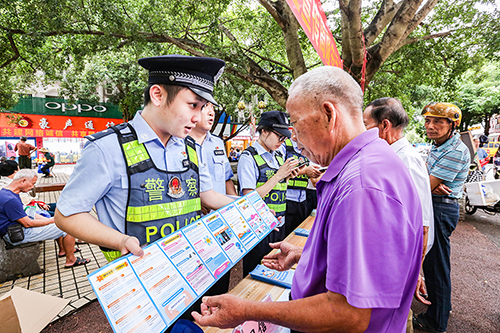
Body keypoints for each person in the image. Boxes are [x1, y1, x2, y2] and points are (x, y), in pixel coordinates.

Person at [193, 67, 423, 332]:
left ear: (329, 114)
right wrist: (310, 255)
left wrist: (246, 310)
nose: (294, 138)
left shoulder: (362, 186)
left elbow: (348, 314)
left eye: (296, 124)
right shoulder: (370, 164)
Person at [54, 55, 235, 262]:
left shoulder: (190, 147)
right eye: (193, 105)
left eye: (202, 108)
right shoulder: (107, 148)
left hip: (189, 267)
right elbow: (66, 215)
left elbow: (209, 196)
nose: (197, 117)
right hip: (136, 278)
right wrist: (120, 241)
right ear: (157, 95)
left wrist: (253, 205)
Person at [363, 97, 435, 332]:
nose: (361, 131)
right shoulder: (389, 154)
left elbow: (421, 223)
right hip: (390, 256)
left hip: (401, 258)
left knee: (396, 318)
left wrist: (416, 270)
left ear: (384, 126)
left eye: (366, 125)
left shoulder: (406, 160)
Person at [413, 102, 470, 333]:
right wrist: (429, 184)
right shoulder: (437, 145)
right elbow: (425, 181)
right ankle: (442, 307)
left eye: (438, 121)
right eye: (428, 121)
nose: (431, 126)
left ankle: (436, 322)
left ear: (452, 125)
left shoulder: (456, 150)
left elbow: (422, 184)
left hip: (441, 208)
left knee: (436, 265)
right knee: (431, 262)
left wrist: (427, 184)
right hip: (433, 202)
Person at [237, 110, 299, 275]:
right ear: (264, 131)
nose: (282, 141)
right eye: (279, 136)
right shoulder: (248, 157)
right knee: (254, 274)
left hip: (279, 225)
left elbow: (278, 187)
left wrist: (286, 177)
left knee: (275, 271)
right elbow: (249, 198)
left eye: (284, 138)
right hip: (258, 230)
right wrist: (278, 175)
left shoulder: (278, 157)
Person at [190, 102, 237, 296]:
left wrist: (237, 208)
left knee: (220, 278)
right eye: (205, 107)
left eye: (213, 108)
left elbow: (227, 179)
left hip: (219, 221)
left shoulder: (218, 143)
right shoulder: (178, 141)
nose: (211, 112)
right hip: (192, 226)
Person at [0, 169, 90, 268]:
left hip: (16, 231)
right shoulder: (11, 200)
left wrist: (51, 220)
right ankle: (71, 260)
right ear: (23, 181)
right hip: (17, 235)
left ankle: (64, 250)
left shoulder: (6, 193)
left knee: (58, 223)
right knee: (68, 227)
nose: (32, 187)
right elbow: (28, 223)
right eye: (32, 183)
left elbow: (27, 213)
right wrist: (52, 221)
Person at [283, 137, 321, 236]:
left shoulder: (307, 149)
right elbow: (279, 172)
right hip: (288, 198)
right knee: (285, 235)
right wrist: (305, 171)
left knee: (299, 232)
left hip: (302, 199)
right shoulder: (283, 146)